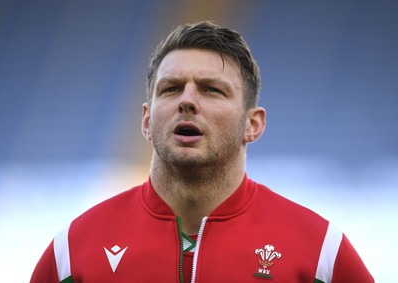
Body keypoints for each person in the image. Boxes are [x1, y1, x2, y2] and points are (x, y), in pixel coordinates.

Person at [30, 21, 374, 283]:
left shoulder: (320, 253)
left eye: (211, 90)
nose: (187, 101)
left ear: (252, 124)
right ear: (147, 120)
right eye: (171, 89)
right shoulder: (72, 252)